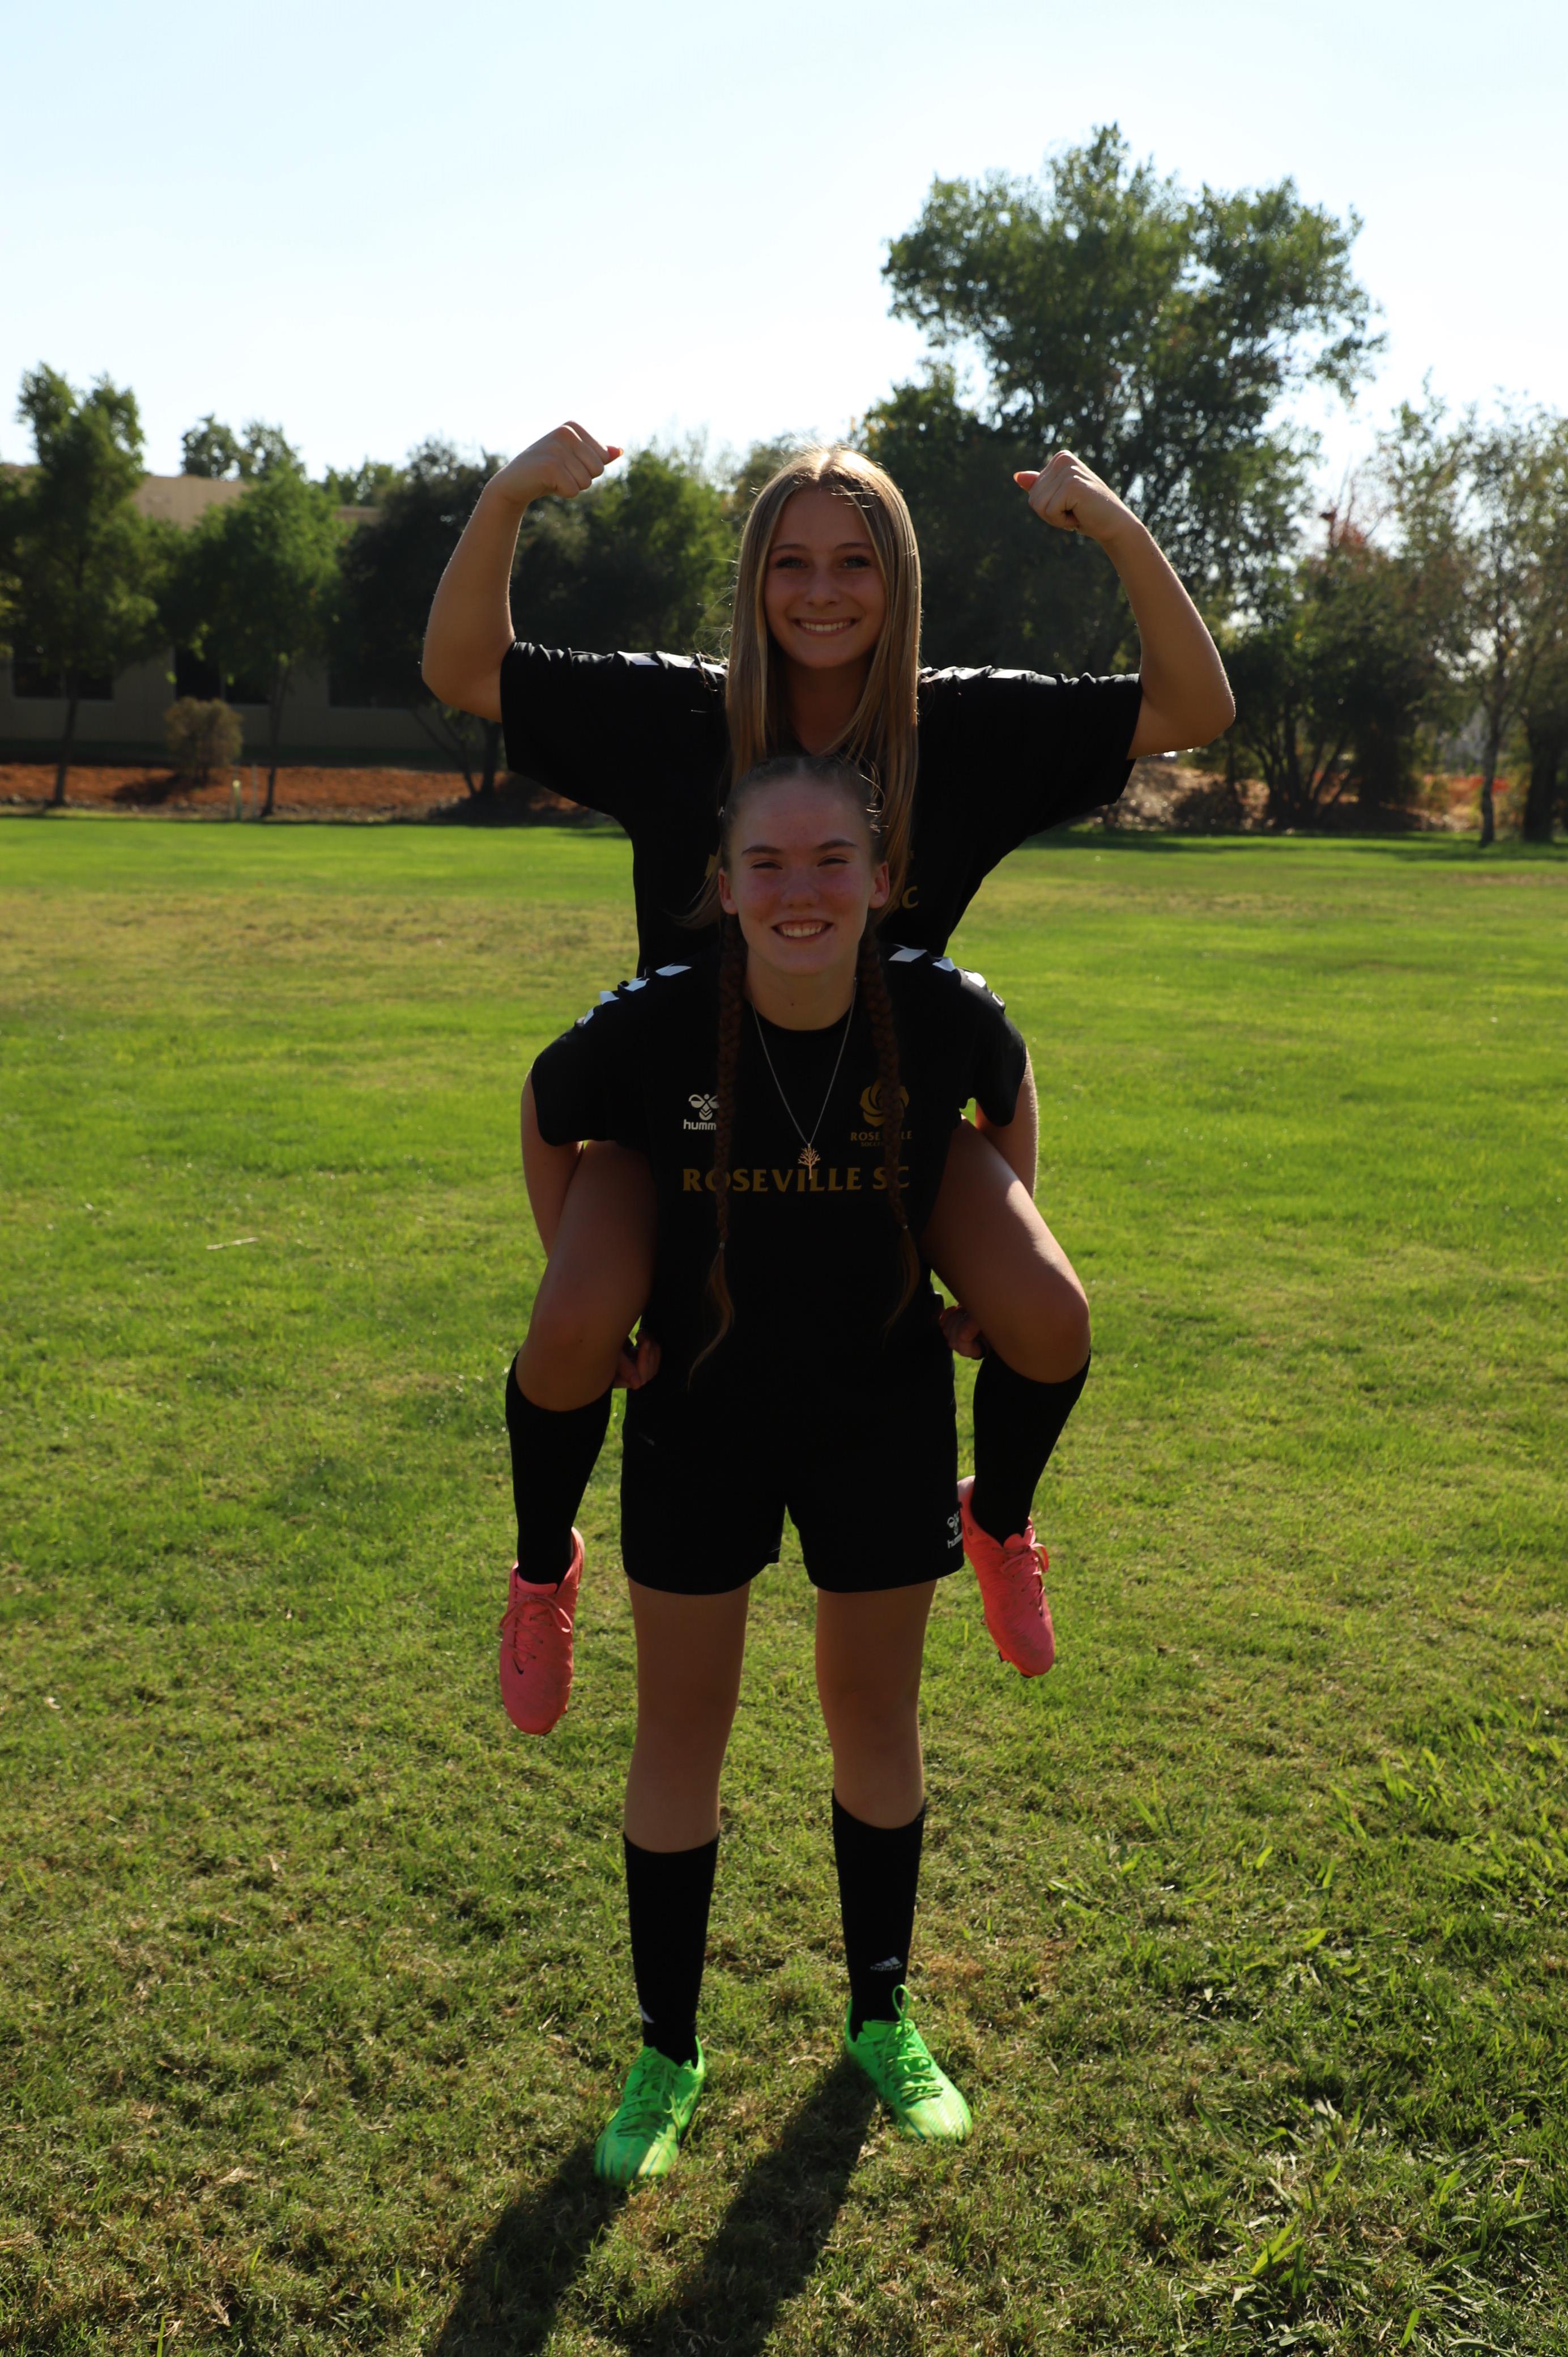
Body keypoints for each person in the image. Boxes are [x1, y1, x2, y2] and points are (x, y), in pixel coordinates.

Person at [424, 424, 1233, 1730]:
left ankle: (998, 1518)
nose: (820, 590)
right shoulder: (680, 715)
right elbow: (462, 667)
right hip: (680, 1115)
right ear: (754, 579)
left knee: (1043, 1314)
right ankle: (539, 1570)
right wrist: (513, 495)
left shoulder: (955, 727)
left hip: (886, 1114)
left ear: (896, 577)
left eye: (853, 561)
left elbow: (1195, 710)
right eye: (790, 561)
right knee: (571, 1326)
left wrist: (1116, 527)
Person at [520, 754, 1035, 2179]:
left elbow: (1008, 1095)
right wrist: (591, 1288)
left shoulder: (938, 1008)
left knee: (873, 1711)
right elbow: (548, 1109)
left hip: (880, 1411)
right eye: (766, 863)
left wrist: (986, 1272)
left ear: (881, 879)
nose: (798, 889)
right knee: (681, 1723)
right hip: (702, 1411)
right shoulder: (662, 1017)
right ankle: (665, 2051)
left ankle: (881, 2014)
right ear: (724, 885)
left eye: (829, 861)